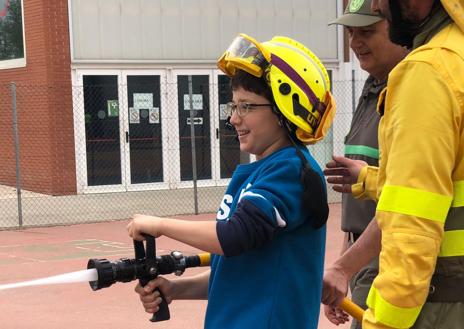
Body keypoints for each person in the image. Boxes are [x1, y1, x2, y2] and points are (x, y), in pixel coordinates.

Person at [126, 33, 336, 328]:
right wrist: (176, 290)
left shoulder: (289, 171)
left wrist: (159, 225)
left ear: (283, 111)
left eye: (247, 106)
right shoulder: (265, 170)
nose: (234, 118)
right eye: (233, 106)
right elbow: (237, 267)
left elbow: (234, 236)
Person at [322, 0, 464, 328]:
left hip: (440, 304)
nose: (377, 5)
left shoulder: (429, 71)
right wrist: (371, 181)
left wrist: (382, 323)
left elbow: (412, 224)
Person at [323, 1, 408, 328]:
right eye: (350, 32)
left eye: (367, 31)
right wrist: (346, 267)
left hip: (392, 261)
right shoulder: (373, 87)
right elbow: (358, 212)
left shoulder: (411, 92)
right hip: (363, 257)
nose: (355, 42)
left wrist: (345, 267)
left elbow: (407, 197)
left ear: (398, 28)